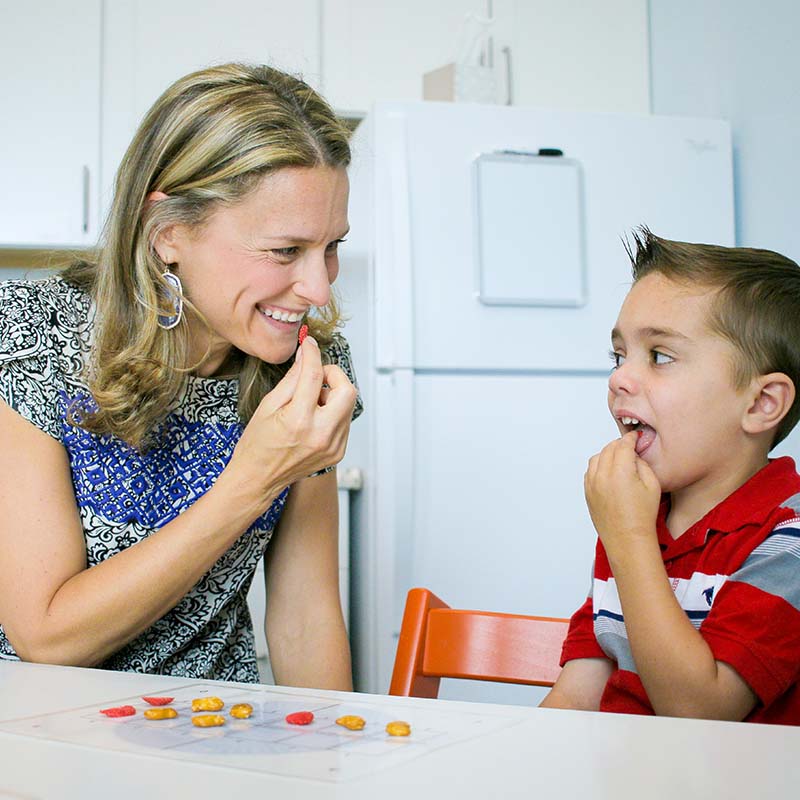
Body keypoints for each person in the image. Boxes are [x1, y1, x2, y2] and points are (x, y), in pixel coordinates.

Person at [0, 63, 362, 689]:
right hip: (39, 732)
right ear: (169, 233)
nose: (318, 288)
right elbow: (47, 636)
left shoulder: (308, 367)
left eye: (331, 246)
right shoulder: (31, 339)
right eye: (285, 251)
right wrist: (254, 477)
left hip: (215, 727)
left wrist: (328, 760)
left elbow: (305, 617)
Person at [541, 227, 800, 723]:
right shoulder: (638, 518)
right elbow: (578, 694)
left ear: (762, 403)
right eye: (619, 356)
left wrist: (629, 537)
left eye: (660, 356)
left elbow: (701, 714)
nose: (619, 378)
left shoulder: (786, 539)